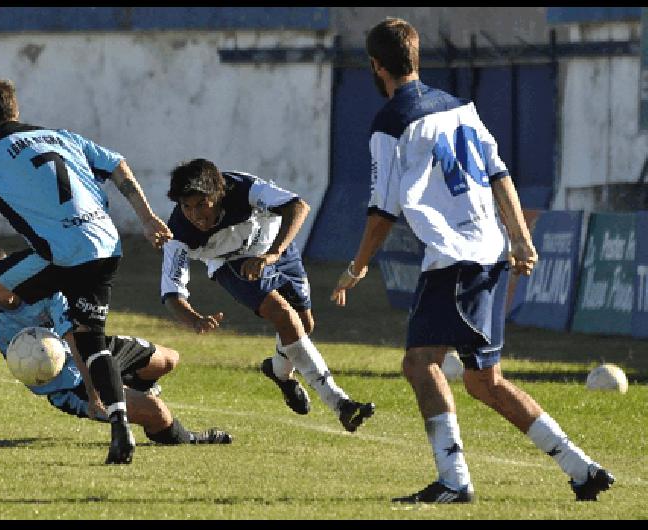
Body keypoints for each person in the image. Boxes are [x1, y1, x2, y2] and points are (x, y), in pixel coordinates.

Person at [331, 18, 614, 503]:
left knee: (421, 363)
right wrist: (521, 239)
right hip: (488, 252)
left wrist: (356, 267)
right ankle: (581, 468)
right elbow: (499, 174)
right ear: (417, 59)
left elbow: (381, 210)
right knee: (485, 382)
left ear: (377, 67)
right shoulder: (463, 108)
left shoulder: (390, 122)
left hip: (453, 257)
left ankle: (454, 481)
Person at [0, 78, 173, 465]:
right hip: (104, 246)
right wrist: (147, 218)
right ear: (15, 110)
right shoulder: (61, 136)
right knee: (91, 340)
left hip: (61, 253)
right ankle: (120, 427)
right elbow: (117, 165)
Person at [0, 243, 232, 447]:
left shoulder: (44, 289)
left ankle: (129, 384)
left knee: (170, 359)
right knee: (158, 414)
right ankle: (188, 439)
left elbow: (75, 338)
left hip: (92, 351)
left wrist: (98, 390)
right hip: (68, 388)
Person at [160, 158, 375, 432]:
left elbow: (298, 206)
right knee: (285, 318)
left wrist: (272, 254)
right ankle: (340, 402)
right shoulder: (178, 232)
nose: (195, 215)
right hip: (230, 263)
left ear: (219, 193)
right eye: (186, 207)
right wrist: (192, 318)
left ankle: (278, 371)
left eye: (202, 204)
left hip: (276, 247)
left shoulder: (243, 187)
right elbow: (171, 292)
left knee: (304, 325)